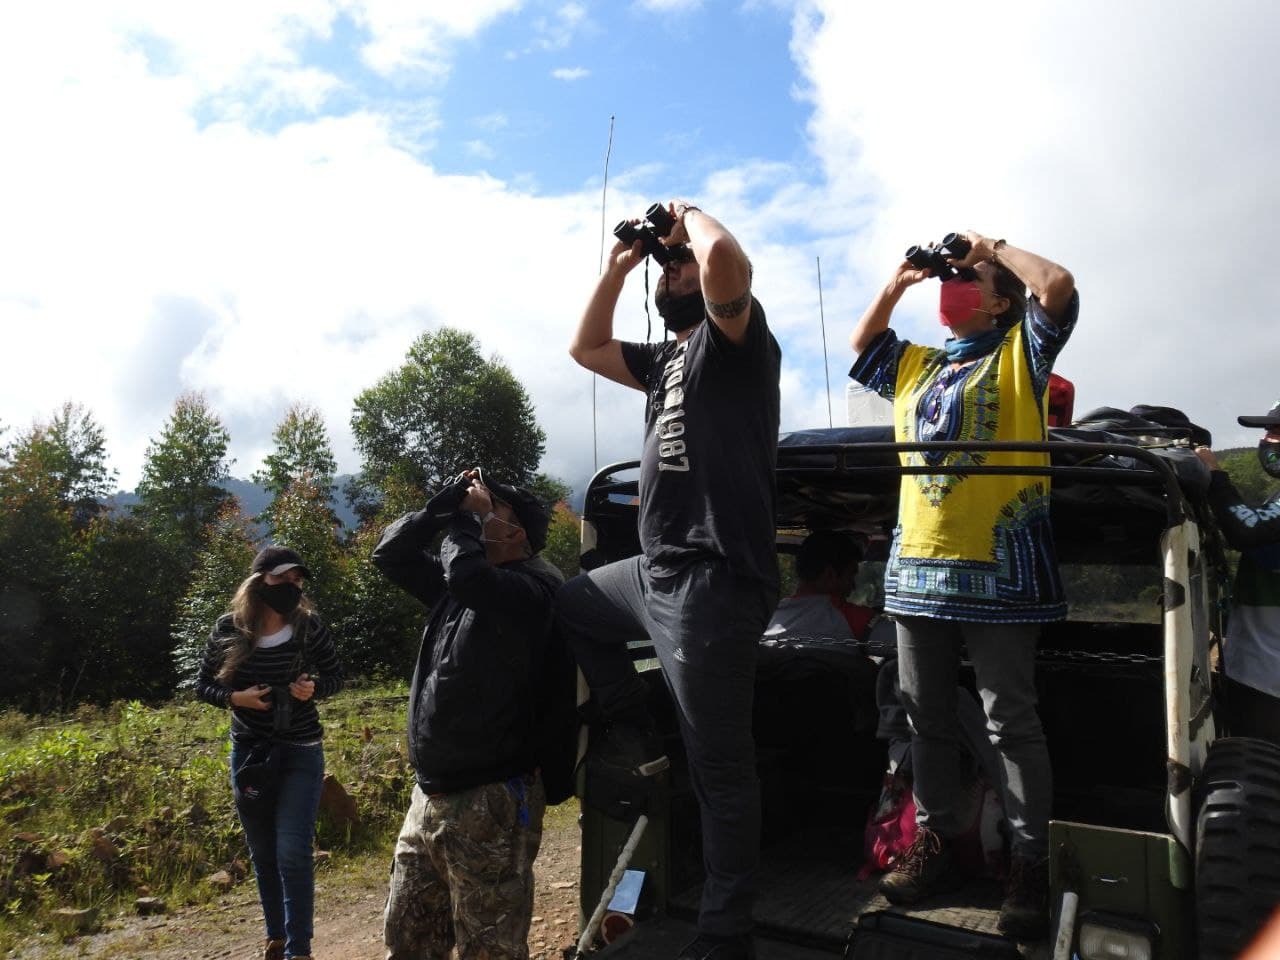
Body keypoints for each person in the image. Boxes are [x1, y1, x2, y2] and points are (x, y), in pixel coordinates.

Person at [558, 200, 781, 960]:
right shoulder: (662, 362)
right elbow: (585, 346)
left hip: (712, 581)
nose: (674, 267)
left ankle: (725, 933)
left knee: (720, 768)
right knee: (572, 603)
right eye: (668, 264)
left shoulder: (735, 343)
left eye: (679, 262)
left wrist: (690, 217)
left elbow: (724, 265)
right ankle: (634, 718)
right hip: (653, 572)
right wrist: (621, 267)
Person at [848, 231, 1077, 940]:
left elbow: (1057, 287)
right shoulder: (918, 363)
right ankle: (937, 840)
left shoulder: (1021, 354)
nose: (953, 284)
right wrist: (899, 283)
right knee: (925, 718)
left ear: (1001, 300)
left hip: (1000, 570)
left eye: (967, 278)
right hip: (918, 570)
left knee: (1010, 719)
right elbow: (865, 345)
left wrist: (993, 245)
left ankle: (1030, 862)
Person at [373, 469, 563, 960]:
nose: (478, 510)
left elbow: (470, 577)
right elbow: (389, 555)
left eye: (491, 507)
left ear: (517, 534)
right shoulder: (455, 588)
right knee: (409, 940)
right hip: (429, 794)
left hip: (491, 798)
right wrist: (440, 509)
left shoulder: (533, 591)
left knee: (489, 948)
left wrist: (465, 524)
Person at [196, 546, 345, 960]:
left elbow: (336, 677)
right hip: (250, 753)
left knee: (292, 850)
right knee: (262, 851)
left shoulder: (308, 626)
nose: (291, 586)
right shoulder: (229, 628)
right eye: (282, 578)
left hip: (301, 749)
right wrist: (235, 698)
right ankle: (276, 938)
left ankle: (300, 950)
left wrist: (313, 688)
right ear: (259, 580)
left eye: (297, 579)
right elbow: (202, 686)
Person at [1196, 400, 1280, 743]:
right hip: (1260, 673)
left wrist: (1215, 477)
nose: (1269, 441)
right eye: (1269, 432)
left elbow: (1246, 529)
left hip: (1268, 681)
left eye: (1277, 433)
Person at [765, 530, 875, 642]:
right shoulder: (859, 620)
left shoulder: (769, 617)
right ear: (829, 575)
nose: (853, 586)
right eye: (850, 576)